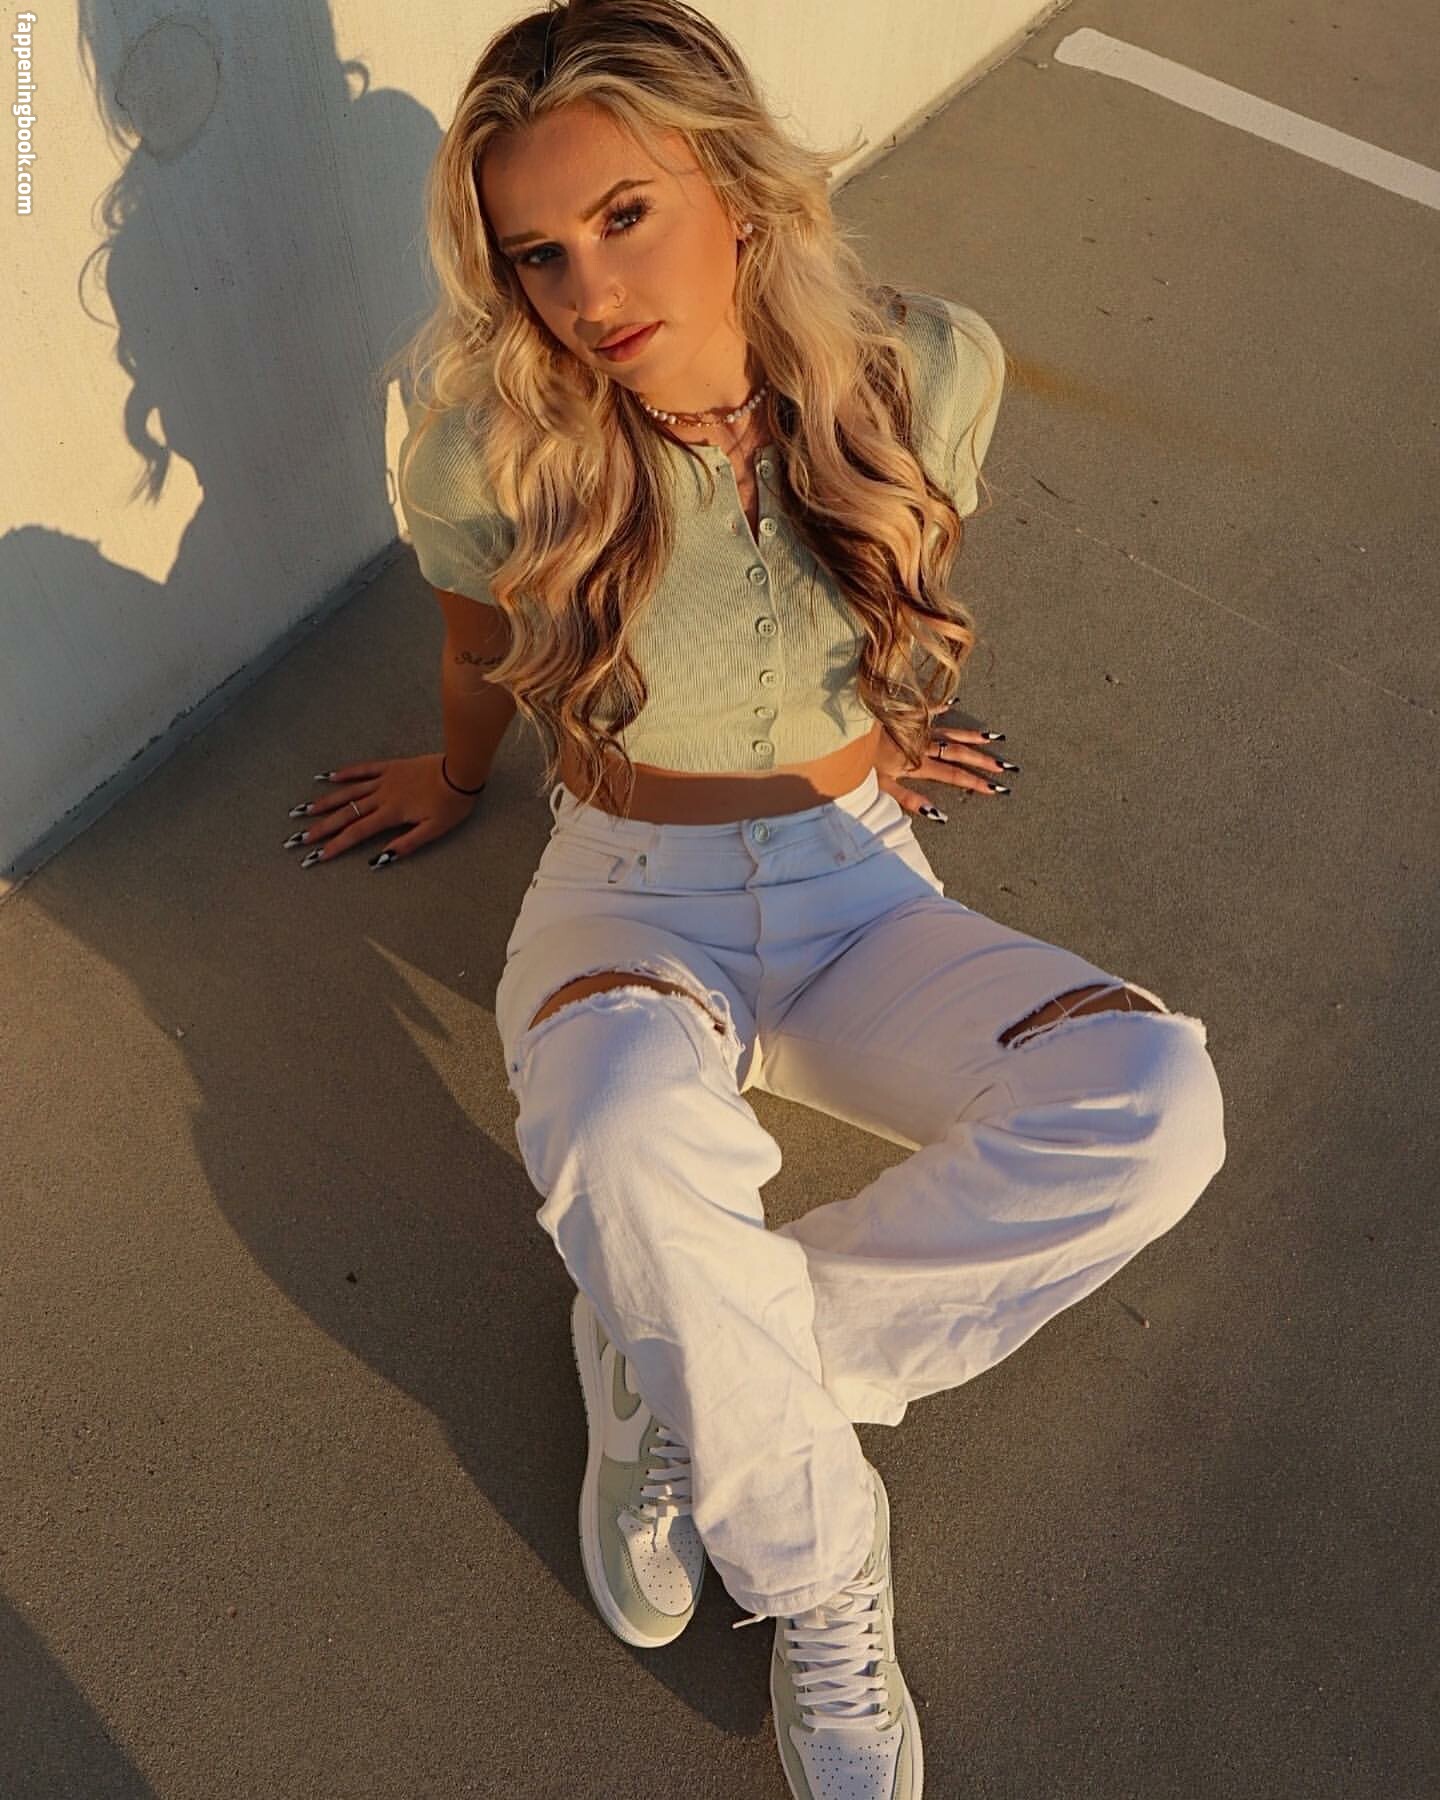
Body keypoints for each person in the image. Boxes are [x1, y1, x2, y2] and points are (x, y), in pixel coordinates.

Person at [288, 3, 1228, 1793]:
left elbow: (891, 563)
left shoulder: (927, 366)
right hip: (628, 891)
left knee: (1156, 1104)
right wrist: (454, 776)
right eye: (538, 254)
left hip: (864, 878)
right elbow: (480, 649)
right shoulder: (489, 452)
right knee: (624, 1133)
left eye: (622, 215)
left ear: (728, 180)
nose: (587, 290)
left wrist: (890, 715)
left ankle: (676, 1358)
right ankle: (820, 1573)